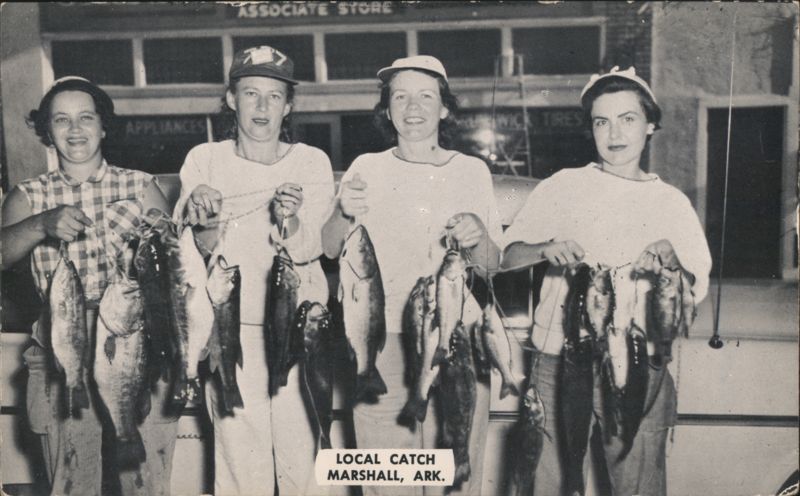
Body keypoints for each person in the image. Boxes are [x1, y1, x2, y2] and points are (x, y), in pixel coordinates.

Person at [501, 66, 712, 496]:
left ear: (650, 124)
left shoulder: (671, 201)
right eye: (602, 121)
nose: (614, 133)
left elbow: (694, 287)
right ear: (591, 129)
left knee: (637, 485)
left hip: (638, 362)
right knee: (546, 483)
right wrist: (544, 248)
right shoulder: (564, 185)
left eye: (627, 119)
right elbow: (505, 256)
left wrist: (673, 266)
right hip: (557, 360)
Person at [323, 55, 504, 496]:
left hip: (455, 339)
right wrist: (343, 213)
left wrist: (478, 235)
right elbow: (329, 248)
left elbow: (491, 263)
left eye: (426, 96)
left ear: (445, 108)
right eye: (399, 97)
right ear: (387, 110)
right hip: (380, 339)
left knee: (454, 474)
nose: (412, 107)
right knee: (388, 478)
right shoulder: (367, 166)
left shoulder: (471, 170)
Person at [1, 76, 177, 495]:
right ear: (46, 131)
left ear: (103, 127)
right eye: (61, 120)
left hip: (134, 350)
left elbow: (174, 265)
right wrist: (40, 224)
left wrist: (163, 240)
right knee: (71, 485)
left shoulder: (140, 185)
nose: (75, 130)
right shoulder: (28, 194)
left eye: (86, 118)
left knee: (144, 485)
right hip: (61, 358)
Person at [174, 45, 334, 495]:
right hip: (230, 332)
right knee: (240, 470)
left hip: (299, 335)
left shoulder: (311, 161)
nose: (262, 107)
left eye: (274, 95)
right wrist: (201, 216)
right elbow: (191, 256)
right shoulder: (203, 160)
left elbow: (310, 248)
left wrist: (295, 218)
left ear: (290, 105)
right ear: (231, 99)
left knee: (306, 466)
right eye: (250, 93)